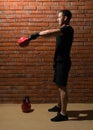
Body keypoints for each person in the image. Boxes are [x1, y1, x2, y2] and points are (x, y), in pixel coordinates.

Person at [19, 9, 74, 121]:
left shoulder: (67, 29)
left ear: (65, 18)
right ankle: (59, 106)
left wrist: (36, 35)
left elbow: (49, 33)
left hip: (63, 62)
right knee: (58, 86)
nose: (57, 19)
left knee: (62, 87)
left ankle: (63, 114)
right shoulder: (62, 30)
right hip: (58, 61)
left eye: (59, 17)